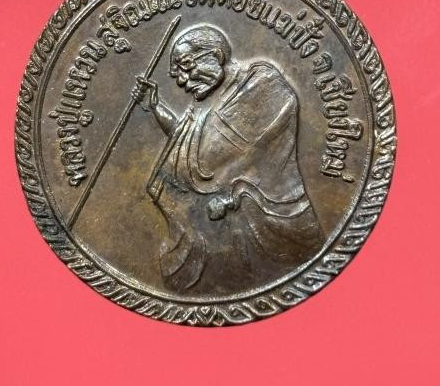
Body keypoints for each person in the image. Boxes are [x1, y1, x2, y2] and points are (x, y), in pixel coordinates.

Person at [132, 24, 324, 293]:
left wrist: (231, 195)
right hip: (217, 229)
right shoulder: (207, 99)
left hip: (271, 217)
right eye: (179, 76)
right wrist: (155, 106)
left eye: (187, 68)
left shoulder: (261, 83)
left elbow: (244, 153)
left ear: (215, 55)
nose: (184, 81)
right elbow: (187, 142)